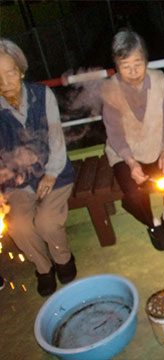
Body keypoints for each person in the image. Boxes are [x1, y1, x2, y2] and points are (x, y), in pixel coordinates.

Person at [0, 38, 76, 297]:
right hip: (15, 181)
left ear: (21, 70)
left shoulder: (42, 95)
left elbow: (56, 138)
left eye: (10, 72)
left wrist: (52, 173)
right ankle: (43, 268)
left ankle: (64, 260)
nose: (4, 81)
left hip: (55, 172)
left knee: (46, 221)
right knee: (18, 225)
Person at [102, 29, 164, 251]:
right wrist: (131, 162)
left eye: (137, 63)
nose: (132, 71)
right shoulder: (110, 89)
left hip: (158, 146)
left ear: (146, 61)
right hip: (124, 153)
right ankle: (152, 223)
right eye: (125, 66)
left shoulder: (159, 80)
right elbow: (114, 133)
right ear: (116, 66)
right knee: (132, 193)